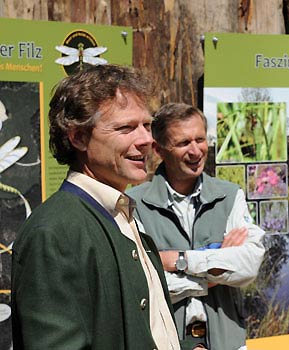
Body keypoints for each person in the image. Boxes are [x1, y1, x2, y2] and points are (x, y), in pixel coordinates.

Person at [11, 64, 180, 350]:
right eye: (126, 127)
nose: (146, 140)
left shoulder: (121, 212)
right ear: (78, 137)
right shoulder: (54, 232)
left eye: (147, 125)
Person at [127, 102, 265, 350]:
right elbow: (142, 284)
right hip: (165, 344)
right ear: (159, 150)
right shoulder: (135, 205)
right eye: (183, 143)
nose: (196, 151)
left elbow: (249, 265)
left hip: (228, 343)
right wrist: (213, 274)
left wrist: (180, 260)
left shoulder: (230, 196)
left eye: (200, 139)